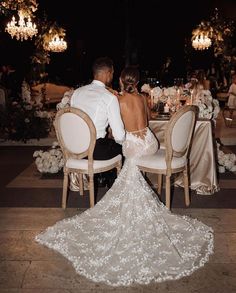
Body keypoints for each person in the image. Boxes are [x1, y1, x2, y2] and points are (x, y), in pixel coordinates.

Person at [35, 67, 214, 287]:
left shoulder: (112, 99)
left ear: (119, 79)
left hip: (105, 147)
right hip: (150, 142)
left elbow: (120, 134)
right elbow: (147, 122)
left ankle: (115, 187)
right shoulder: (143, 97)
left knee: (124, 151)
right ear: (137, 81)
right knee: (127, 154)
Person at [70, 56, 125, 160]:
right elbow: (119, 136)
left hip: (74, 147)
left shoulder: (77, 93)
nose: (112, 76)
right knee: (125, 148)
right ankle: (107, 176)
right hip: (94, 151)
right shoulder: (109, 97)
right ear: (108, 73)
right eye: (112, 73)